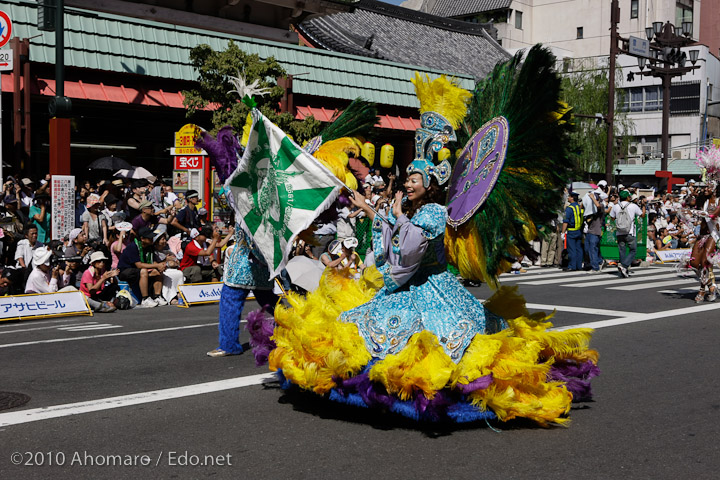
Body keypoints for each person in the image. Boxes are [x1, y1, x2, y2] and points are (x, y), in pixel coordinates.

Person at [207, 227, 279, 357]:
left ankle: (229, 345)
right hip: (262, 267)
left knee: (229, 304)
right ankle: (297, 328)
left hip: (241, 267)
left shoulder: (246, 209)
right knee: (270, 302)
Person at [117, 226, 167, 307]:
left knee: (157, 272)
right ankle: (145, 299)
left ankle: (157, 296)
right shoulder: (133, 247)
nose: (152, 239)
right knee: (143, 271)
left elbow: (152, 261)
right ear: (142, 239)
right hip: (125, 271)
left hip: (138, 270)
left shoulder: (149, 247)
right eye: (149, 237)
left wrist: (160, 266)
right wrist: (156, 265)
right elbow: (139, 265)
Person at [610, 190, 645, 278]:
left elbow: (612, 217)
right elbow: (642, 215)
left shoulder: (615, 206)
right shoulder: (633, 206)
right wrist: (644, 206)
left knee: (622, 250)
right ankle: (624, 266)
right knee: (633, 250)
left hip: (619, 231)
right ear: (628, 197)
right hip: (630, 231)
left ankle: (623, 268)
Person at [561, 192, 584, 271]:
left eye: (569, 197)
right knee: (579, 249)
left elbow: (565, 221)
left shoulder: (569, 208)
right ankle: (579, 266)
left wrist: (563, 232)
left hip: (571, 231)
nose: (568, 198)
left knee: (572, 249)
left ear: (572, 198)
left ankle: (572, 266)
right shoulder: (579, 207)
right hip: (579, 231)